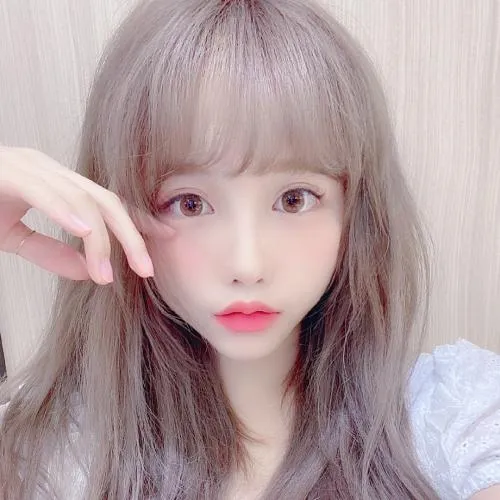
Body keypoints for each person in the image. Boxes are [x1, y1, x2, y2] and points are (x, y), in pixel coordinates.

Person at [0, 0, 499, 499]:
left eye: (294, 199)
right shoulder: (53, 450)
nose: (247, 265)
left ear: (354, 212)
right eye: (190, 203)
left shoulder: (450, 420)